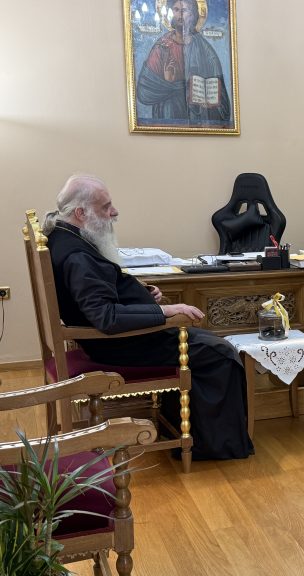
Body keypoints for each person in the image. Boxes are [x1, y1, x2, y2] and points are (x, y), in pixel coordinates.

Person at [42, 174, 251, 461]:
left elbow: (99, 293)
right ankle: (210, 444)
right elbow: (106, 317)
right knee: (221, 354)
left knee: (208, 343)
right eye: (106, 207)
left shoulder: (62, 236)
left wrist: (140, 293)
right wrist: (164, 311)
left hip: (115, 339)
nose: (114, 212)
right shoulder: (77, 256)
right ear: (80, 213)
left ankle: (180, 427)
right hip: (121, 344)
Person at [136, 0, 231, 125]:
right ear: (170, 13)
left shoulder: (204, 49)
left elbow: (219, 96)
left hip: (197, 119)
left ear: (193, 15)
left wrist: (203, 94)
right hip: (168, 116)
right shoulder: (161, 47)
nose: (180, 15)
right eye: (176, 10)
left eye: (185, 10)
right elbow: (144, 90)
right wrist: (167, 82)